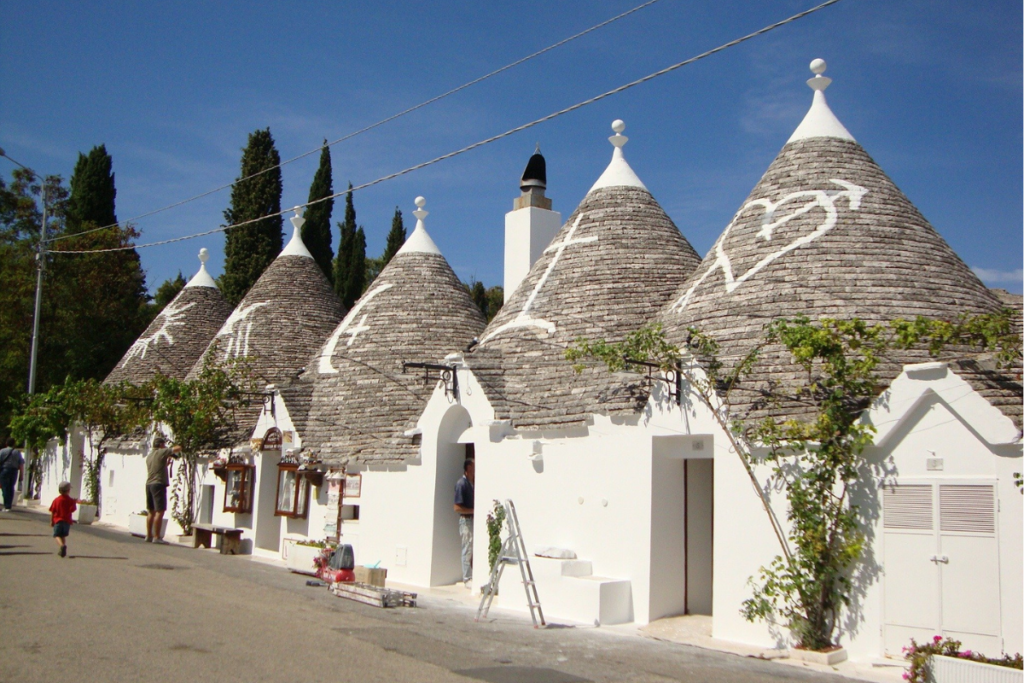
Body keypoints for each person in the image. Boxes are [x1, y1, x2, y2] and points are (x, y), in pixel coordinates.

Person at [145, 436, 181, 543]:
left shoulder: (150, 456)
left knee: (151, 511)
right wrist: (180, 445)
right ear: (161, 445)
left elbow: (157, 467)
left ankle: (149, 535)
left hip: (149, 484)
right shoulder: (161, 452)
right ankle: (157, 537)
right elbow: (177, 449)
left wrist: (166, 464)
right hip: (158, 484)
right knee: (160, 511)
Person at [453, 458, 475, 586]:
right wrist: (473, 510)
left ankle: (471, 575)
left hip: (472, 520)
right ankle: (467, 578)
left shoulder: (472, 484)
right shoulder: (462, 484)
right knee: (467, 548)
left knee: (471, 548)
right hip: (466, 521)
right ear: (468, 470)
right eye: (472, 469)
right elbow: (457, 508)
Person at [49, 481, 77, 557]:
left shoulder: (56, 500)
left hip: (58, 520)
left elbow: (53, 511)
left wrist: (51, 521)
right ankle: (62, 548)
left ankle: (62, 546)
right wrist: (74, 502)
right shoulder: (70, 500)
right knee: (63, 535)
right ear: (68, 490)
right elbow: (73, 509)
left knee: (57, 535)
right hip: (67, 521)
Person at [0, 437, 25, 511]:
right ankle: (9, 505)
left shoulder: (2, 451)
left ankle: (6, 505)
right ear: (14, 444)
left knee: (5, 488)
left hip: (4, 471)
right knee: (11, 488)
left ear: (6, 443)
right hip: (14, 471)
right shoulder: (17, 452)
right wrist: (21, 475)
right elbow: (21, 464)